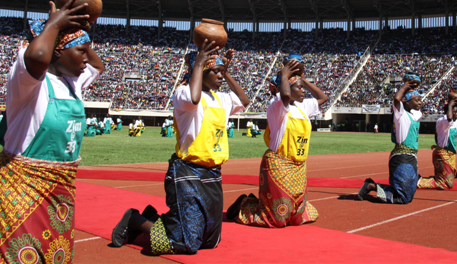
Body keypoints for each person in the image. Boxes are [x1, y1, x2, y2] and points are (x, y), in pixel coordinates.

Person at [0, 0, 103, 263]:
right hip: (20, 192)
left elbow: (98, 67)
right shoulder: (29, 85)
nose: (87, 58)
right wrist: (54, 25)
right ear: (58, 51)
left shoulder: (73, 83)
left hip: (59, 195)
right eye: (81, 51)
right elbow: (38, 56)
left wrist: (83, 28)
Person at [112, 40, 249, 254]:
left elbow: (244, 100)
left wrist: (227, 71)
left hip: (213, 174)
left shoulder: (221, 98)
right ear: (201, 70)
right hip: (188, 172)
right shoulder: (183, 93)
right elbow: (195, 99)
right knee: (185, 243)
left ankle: (155, 218)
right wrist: (198, 63)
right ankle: (136, 220)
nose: (221, 76)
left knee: (210, 241)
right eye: (216, 71)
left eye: (221, 72)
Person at [228, 57, 328, 228]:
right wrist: (285, 75)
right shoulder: (276, 105)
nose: (304, 92)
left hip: (298, 167)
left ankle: (257, 202)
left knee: (296, 218)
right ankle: (244, 204)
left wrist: (302, 79)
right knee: (276, 219)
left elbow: (323, 97)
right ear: (287, 88)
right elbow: (285, 96)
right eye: (300, 88)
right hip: (278, 165)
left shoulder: (303, 107)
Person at [357, 73, 423, 204]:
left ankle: (375, 187)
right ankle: (371, 186)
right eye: (417, 100)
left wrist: (414, 88)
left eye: (420, 99)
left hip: (412, 157)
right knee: (402, 198)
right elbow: (397, 100)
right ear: (406, 102)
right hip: (401, 156)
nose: (420, 102)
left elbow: (413, 104)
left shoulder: (415, 115)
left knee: (408, 194)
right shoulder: (400, 115)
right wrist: (404, 87)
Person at [417, 91, 457, 190]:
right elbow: (449, 118)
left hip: (450, 153)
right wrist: (451, 104)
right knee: (445, 184)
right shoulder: (442, 121)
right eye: (455, 113)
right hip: (442, 153)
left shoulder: (454, 122)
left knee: (448, 181)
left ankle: (432, 179)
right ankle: (418, 181)